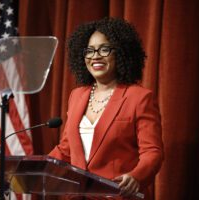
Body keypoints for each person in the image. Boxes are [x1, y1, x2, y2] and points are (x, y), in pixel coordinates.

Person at [49, 17, 163, 199]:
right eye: (89, 51)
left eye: (104, 49)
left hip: (119, 195)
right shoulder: (76, 96)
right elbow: (66, 149)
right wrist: (32, 169)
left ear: (121, 53)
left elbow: (152, 152)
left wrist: (136, 177)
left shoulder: (139, 97)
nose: (95, 56)